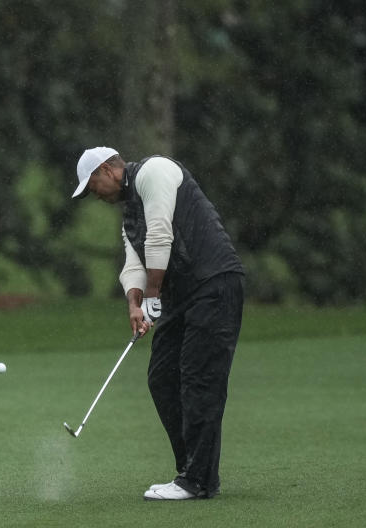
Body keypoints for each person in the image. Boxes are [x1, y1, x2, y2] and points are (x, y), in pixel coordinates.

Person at [71, 146, 245, 500]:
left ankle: (198, 481)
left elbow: (161, 235)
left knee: (199, 380)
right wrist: (135, 303)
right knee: (162, 376)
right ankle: (190, 471)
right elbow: (133, 263)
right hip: (182, 296)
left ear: (107, 170)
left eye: (93, 186)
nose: (95, 195)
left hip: (214, 283)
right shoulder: (130, 213)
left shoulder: (156, 171)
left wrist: (152, 295)